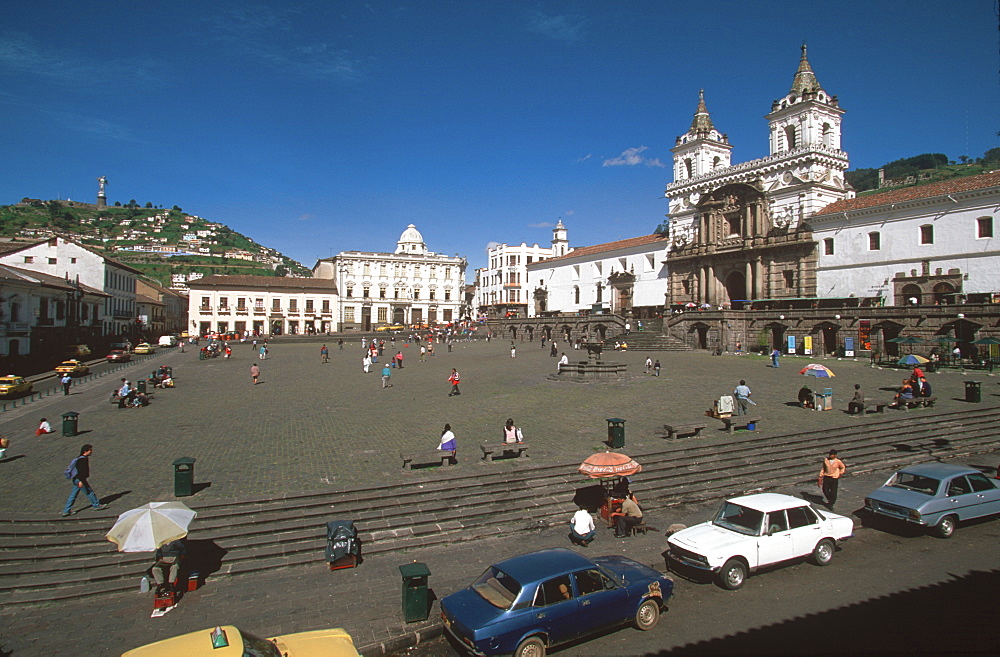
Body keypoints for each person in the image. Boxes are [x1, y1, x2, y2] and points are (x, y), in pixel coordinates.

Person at [61, 444, 108, 516]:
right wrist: (81, 481)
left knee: (73, 495)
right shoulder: (83, 460)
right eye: (90, 450)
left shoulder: (80, 458)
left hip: (76, 479)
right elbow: (81, 471)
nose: (91, 451)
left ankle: (66, 510)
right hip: (80, 480)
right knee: (89, 492)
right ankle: (96, 504)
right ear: (85, 451)